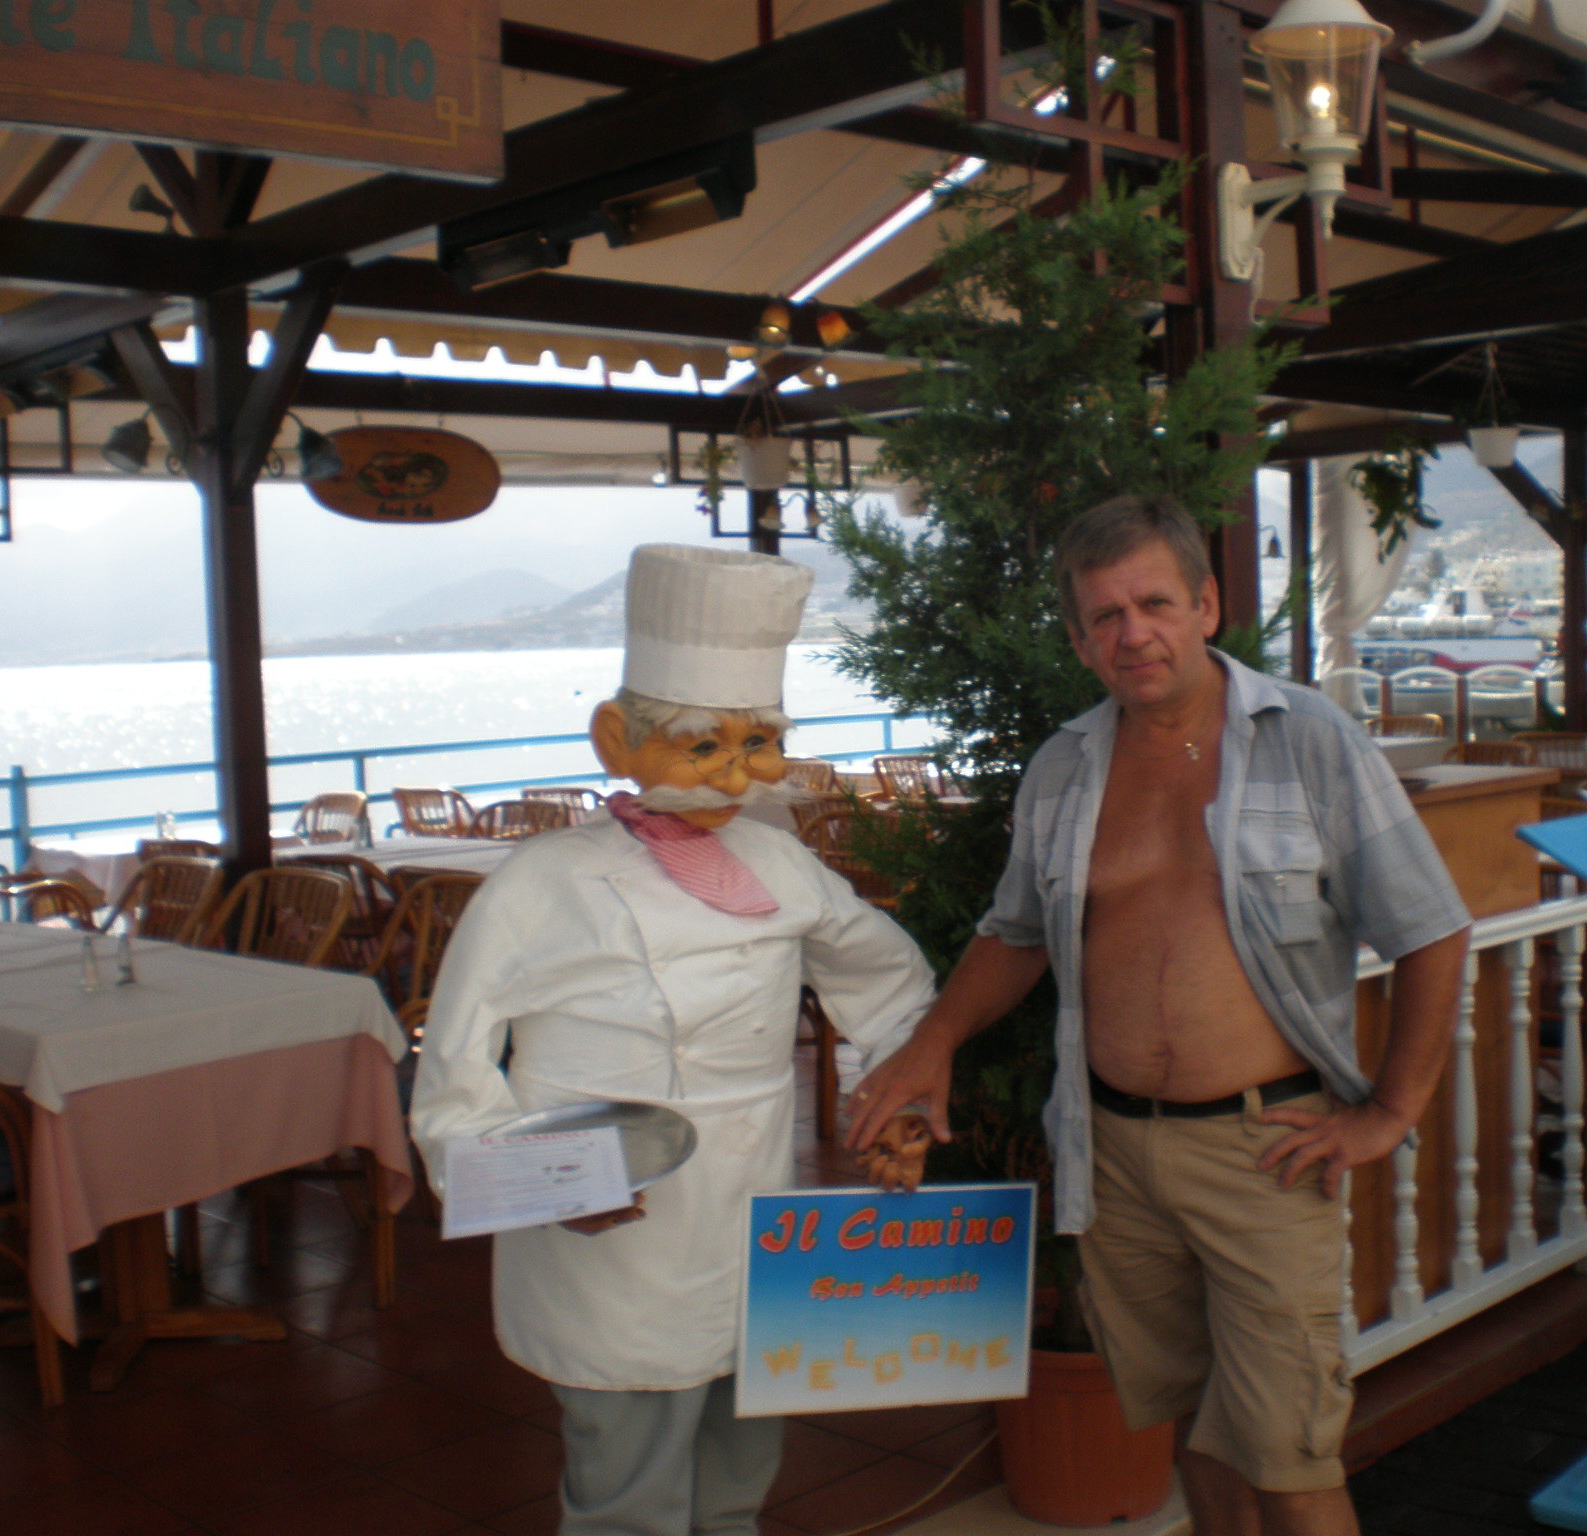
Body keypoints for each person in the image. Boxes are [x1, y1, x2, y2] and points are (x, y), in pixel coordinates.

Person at [849, 496, 1471, 1536]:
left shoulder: (1309, 741)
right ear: (1078, 638)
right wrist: (933, 1042)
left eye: (1153, 604)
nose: (1131, 633)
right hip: (1115, 1154)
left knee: (1291, 1458)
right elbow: (1016, 934)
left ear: (1206, 606)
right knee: (1196, 1433)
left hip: (1264, 1150)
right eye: (1104, 615)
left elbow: (1431, 928)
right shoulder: (1063, 768)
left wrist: (1390, 1111)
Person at [411, 544, 937, 1536]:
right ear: (616, 738)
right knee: (626, 1487)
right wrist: (533, 1184)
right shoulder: (542, 882)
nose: (738, 771)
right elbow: (456, 1061)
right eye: (705, 745)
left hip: (754, 1207)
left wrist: (896, 1095)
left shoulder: (778, 860)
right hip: (611, 1230)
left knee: (740, 1469)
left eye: (759, 742)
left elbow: (882, 972)